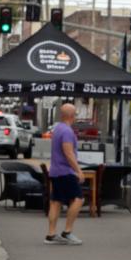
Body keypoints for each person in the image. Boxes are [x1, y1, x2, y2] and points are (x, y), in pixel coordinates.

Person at [45, 103, 85, 245]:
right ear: (72, 116)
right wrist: (78, 170)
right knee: (78, 199)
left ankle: (51, 234)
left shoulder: (58, 129)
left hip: (56, 171)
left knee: (56, 202)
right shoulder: (67, 131)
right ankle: (67, 232)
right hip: (65, 171)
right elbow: (68, 152)